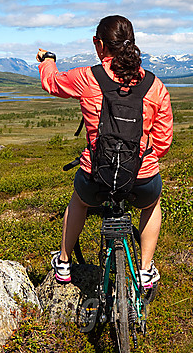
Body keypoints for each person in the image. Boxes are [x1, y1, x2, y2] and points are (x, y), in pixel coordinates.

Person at [36, 15, 173, 290]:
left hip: (96, 176)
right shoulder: (155, 86)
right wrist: (142, 161)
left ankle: (64, 263)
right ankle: (145, 270)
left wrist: (48, 61)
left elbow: (51, 83)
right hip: (141, 178)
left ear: (99, 45)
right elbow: (163, 142)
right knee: (151, 203)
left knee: (79, 201)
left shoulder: (88, 78)